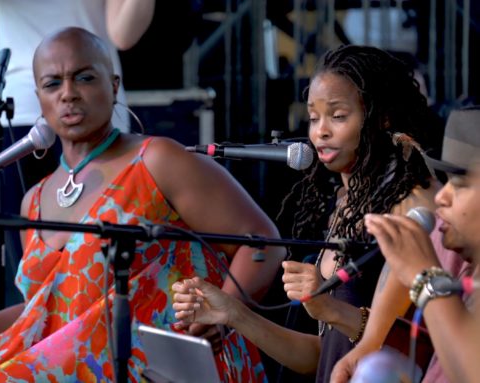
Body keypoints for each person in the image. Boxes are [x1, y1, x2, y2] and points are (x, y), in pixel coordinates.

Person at [0, 27, 285, 382]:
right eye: (52, 84)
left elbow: (261, 241)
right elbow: (47, 314)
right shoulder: (33, 201)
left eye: (84, 77)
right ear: (38, 98)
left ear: (113, 85)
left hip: (163, 367)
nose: (68, 94)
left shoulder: (156, 159)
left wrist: (222, 315)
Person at [172, 44, 443, 382]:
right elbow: (321, 355)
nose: (320, 132)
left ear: (381, 117)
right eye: (314, 117)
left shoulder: (416, 204)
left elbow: (431, 345)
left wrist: (332, 309)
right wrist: (233, 314)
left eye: (338, 116)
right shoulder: (344, 204)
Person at [0, 0, 156, 307]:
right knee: (30, 264)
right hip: (22, 106)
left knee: (108, 251)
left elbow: (123, 34)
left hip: (97, 102)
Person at [330, 107, 476, 383]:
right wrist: (369, 342)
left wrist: (425, 276)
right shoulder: (461, 248)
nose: (442, 196)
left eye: (461, 184)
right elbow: (405, 255)